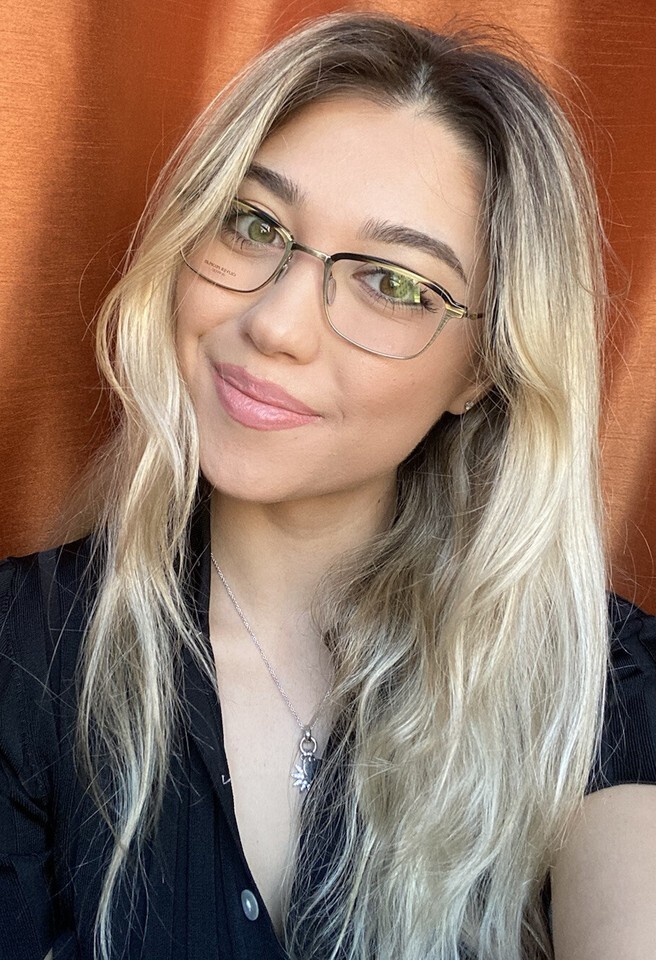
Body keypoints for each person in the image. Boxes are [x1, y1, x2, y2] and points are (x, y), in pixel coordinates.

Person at [1, 10, 655, 960]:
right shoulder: (22, 654)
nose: (275, 324)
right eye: (254, 223)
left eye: (394, 283)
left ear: (482, 372)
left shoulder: (599, 682)